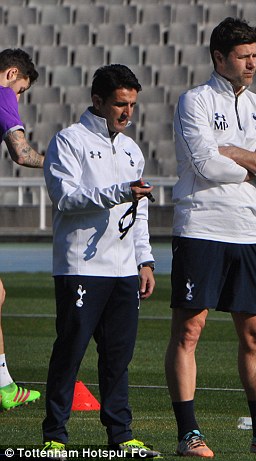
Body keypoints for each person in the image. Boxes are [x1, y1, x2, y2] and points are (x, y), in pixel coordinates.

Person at [164, 18, 256, 457]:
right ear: (219, 58)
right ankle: (188, 434)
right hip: (201, 226)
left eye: (255, 55)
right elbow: (205, 165)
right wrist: (254, 161)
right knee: (190, 330)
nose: (252, 63)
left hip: (247, 230)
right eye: (243, 56)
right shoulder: (193, 101)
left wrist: (234, 152)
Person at [42, 64, 159, 459]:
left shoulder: (131, 149)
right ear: (97, 101)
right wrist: (119, 192)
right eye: (119, 104)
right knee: (70, 351)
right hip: (80, 267)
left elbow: (138, 210)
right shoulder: (68, 141)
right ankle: (55, 435)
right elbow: (66, 199)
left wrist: (145, 260)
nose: (127, 113)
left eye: (132, 105)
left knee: (118, 357)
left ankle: (121, 435)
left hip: (124, 269)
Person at [0, 48, 44, 412]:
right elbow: (22, 153)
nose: (18, 98)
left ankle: (4, 385)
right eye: (22, 90)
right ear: (12, 74)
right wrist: (61, 161)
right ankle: (3, 387)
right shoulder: (2, 94)